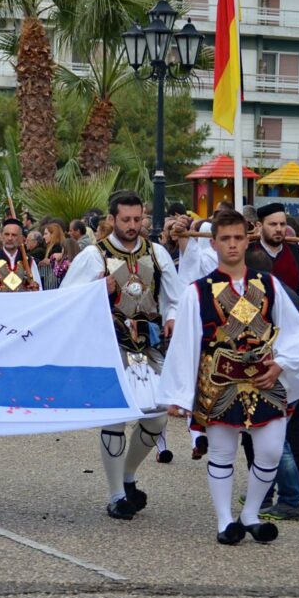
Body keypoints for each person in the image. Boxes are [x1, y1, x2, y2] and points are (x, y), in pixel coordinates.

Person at [159, 209, 299, 544]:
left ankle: (251, 513)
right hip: (219, 382)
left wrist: (281, 364)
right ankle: (224, 520)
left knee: (271, 450)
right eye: (225, 239)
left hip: (264, 380)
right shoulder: (197, 291)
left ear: (247, 240)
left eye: (238, 238)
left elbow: (292, 330)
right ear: (213, 243)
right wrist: (180, 394)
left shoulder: (268, 284)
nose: (232, 245)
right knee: (222, 453)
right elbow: (186, 343)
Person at [178, 202, 299, 494]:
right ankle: (267, 493)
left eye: (282, 225)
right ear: (260, 227)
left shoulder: (297, 254)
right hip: (244, 355)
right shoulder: (247, 256)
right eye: (273, 224)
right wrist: (185, 241)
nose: (279, 229)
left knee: (293, 415)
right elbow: (205, 273)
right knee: (252, 424)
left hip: (285, 348)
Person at [60, 191, 182, 520]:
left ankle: (128, 477)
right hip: (110, 346)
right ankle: (116, 495)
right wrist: (99, 289)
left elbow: (175, 296)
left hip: (150, 346)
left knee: (156, 417)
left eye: (137, 219)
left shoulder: (157, 254)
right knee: (115, 418)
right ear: (112, 219)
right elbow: (67, 298)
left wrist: (172, 317)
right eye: (125, 219)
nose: (132, 225)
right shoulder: (93, 256)